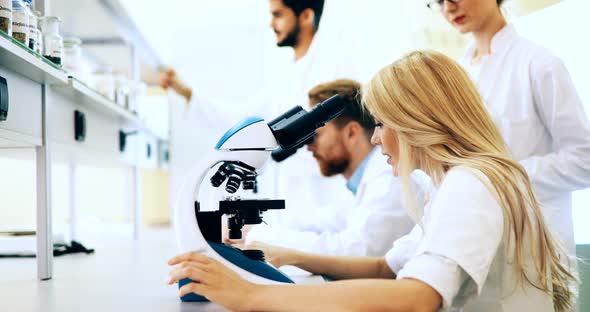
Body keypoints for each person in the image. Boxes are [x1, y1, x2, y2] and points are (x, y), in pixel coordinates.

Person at [166, 51, 577, 311]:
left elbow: (418, 298)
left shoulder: (472, 186)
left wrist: (253, 297)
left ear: (418, 121)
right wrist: (285, 255)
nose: (376, 136)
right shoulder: (455, 184)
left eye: (382, 123)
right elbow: (384, 268)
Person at [162, 0, 365, 241]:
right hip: (294, 212)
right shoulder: (287, 75)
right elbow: (244, 120)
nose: (271, 24)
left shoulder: (336, 64)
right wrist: (186, 93)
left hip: (324, 203)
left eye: (278, 15)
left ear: (306, 16)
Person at [427, 0, 590, 258]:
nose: (448, 7)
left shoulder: (540, 63)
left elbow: (585, 161)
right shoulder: (458, 75)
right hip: (476, 243)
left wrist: (502, 177)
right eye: (438, 1)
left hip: (538, 245)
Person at [243, 79, 415, 258]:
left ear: (351, 133)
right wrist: (256, 229)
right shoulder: (360, 183)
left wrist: (263, 238)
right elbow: (322, 222)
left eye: (315, 136)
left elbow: (359, 250)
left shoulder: (388, 178)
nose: (309, 147)